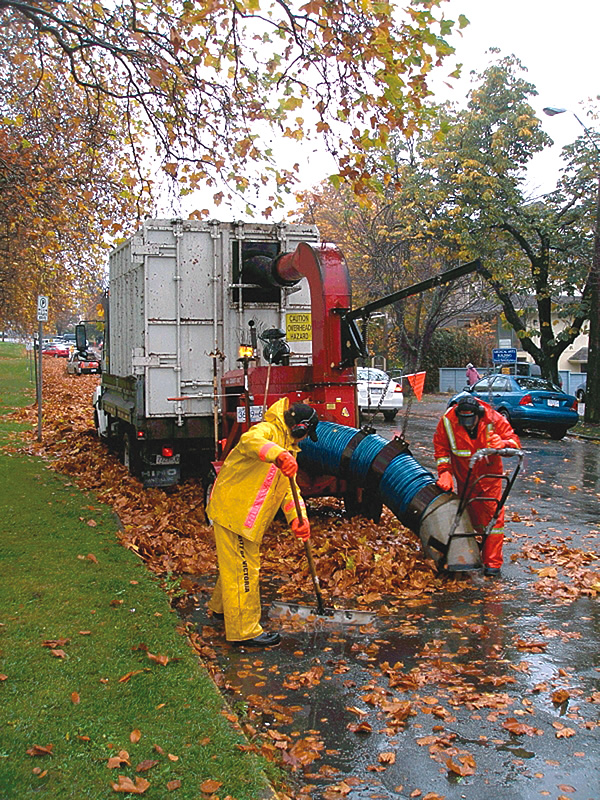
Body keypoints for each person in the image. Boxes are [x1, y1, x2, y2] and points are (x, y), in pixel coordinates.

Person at [207, 398, 319, 647]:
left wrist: (299, 519)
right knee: (245, 570)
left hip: (239, 514)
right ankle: (245, 630)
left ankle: (220, 609)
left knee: (234, 565)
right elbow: (250, 441)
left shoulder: (287, 447)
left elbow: (290, 492)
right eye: (304, 435)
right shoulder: (267, 431)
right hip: (235, 513)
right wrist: (277, 454)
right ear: (298, 428)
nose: (302, 441)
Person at [433, 395, 520, 577]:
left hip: (490, 478)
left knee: (494, 519)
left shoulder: (493, 418)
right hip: (465, 477)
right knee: (467, 517)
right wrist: (444, 471)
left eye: (471, 420)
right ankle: (467, 552)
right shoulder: (448, 422)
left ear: (478, 415)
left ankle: (492, 564)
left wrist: (503, 444)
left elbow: (514, 442)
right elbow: (441, 448)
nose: (467, 424)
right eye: (463, 420)